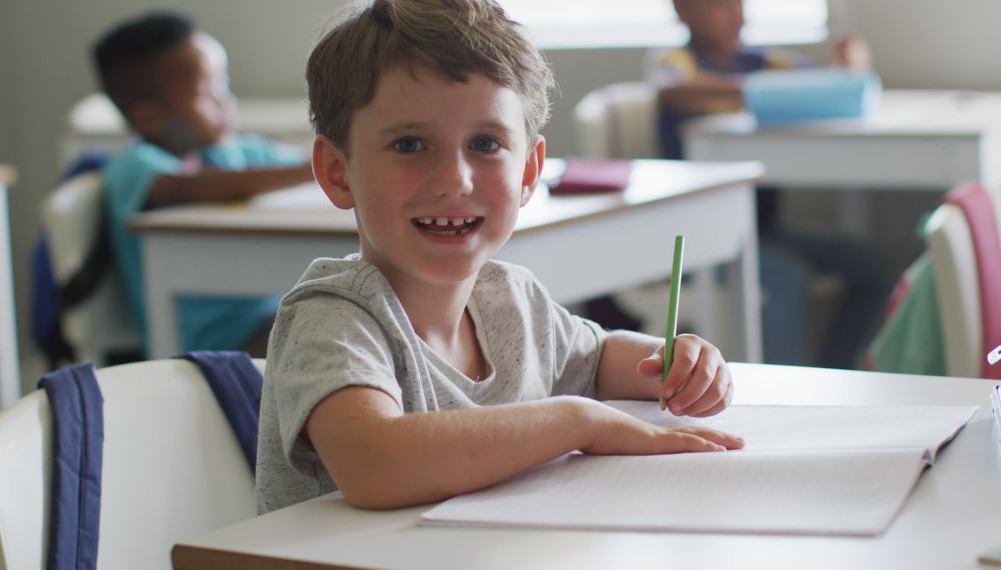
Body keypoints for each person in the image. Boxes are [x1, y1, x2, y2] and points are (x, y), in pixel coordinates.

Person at [256, 0, 744, 514]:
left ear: (529, 171)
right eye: (409, 144)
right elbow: (375, 464)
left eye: (485, 143)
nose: (454, 181)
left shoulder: (510, 299)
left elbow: (600, 361)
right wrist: (577, 422)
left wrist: (681, 360)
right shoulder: (332, 318)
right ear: (337, 171)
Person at [648, 0, 891, 368]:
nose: (737, 15)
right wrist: (762, 92)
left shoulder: (767, 62)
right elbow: (672, 89)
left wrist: (853, 62)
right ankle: (786, 389)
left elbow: (835, 84)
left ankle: (833, 371)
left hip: (766, 229)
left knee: (869, 265)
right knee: (788, 276)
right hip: (707, 238)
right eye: (720, 7)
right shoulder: (677, 64)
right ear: (684, 11)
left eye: (739, 5)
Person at [92, 12, 314, 355]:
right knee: (331, 322)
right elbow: (184, 187)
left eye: (224, 86)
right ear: (150, 116)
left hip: (270, 317)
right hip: (207, 347)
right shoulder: (133, 168)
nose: (226, 102)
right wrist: (320, 165)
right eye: (208, 93)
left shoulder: (230, 152)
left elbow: (298, 163)